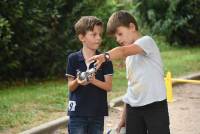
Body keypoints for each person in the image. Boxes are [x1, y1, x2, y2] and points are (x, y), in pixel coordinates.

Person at [89, 10, 170, 134]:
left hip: (155, 106)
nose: (118, 39)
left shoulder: (147, 41)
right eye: (116, 36)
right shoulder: (130, 58)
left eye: (120, 34)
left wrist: (105, 56)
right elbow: (131, 88)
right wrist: (123, 118)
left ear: (132, 27)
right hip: (134, 109)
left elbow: (122, 51)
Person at [66, 16, 113, 134]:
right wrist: (78, 81)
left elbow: (109, 86)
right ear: (82, 37)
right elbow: (70, 87)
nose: (98, 38)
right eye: (94, 34)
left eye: (99, 34)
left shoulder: (105, 60)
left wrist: (92, 81)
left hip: (97, 113)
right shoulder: (73, 59)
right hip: (77, 113)